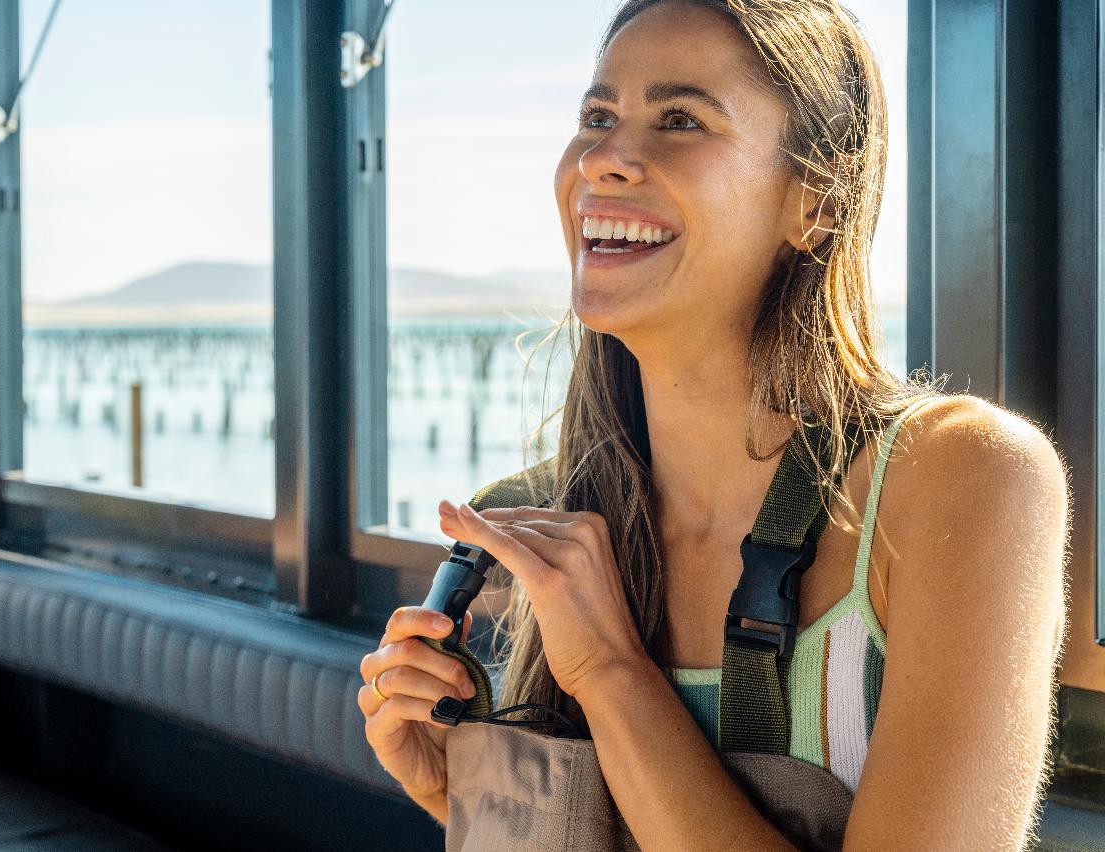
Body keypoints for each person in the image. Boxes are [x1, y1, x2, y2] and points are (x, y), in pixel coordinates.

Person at [357, 1, 1071, 847]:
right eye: (597, 116)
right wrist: (469, 793)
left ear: (816, 203)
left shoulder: (964, 479)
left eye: (681, 120)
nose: (606, 158)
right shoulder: (549, 522)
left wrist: (612, 673)